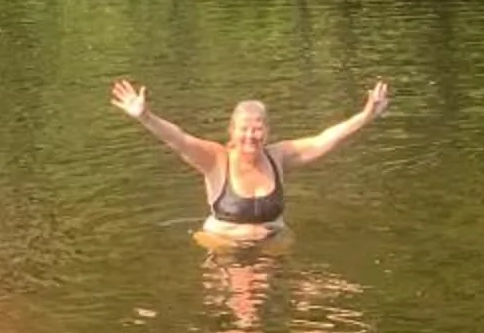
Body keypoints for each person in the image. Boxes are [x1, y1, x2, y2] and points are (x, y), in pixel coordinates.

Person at [108, 78, 391, 244]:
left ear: (267, 132)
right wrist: (145, 116)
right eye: (244, 128)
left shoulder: (279, 156)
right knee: (244, 325)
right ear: (232, 131)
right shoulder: (215, 159)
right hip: (225, 248)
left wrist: (365, 117)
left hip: (273, 246)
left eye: (257, 128)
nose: (250, 135)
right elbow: (178, 139)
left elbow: (324, 139)